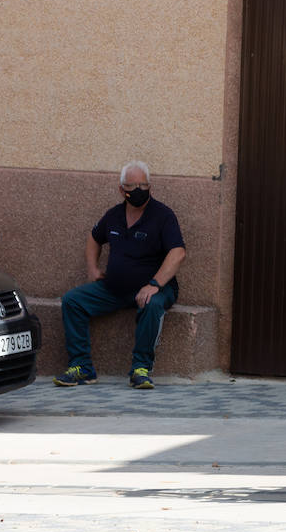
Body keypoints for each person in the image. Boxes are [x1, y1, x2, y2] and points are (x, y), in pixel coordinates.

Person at [53, 160, 186, 390]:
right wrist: (93, 269)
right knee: (73, 301)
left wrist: (155, 283)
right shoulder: (113, 215)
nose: (138, 191)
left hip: (155, 287)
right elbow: (94, 238)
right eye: (132, 186)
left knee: (152, 304)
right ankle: (82, 367)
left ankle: (140, 369)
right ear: (121, 189)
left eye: (143, 186)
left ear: (150, 187)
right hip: (114, 289)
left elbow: (178, 252)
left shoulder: (163, 215)